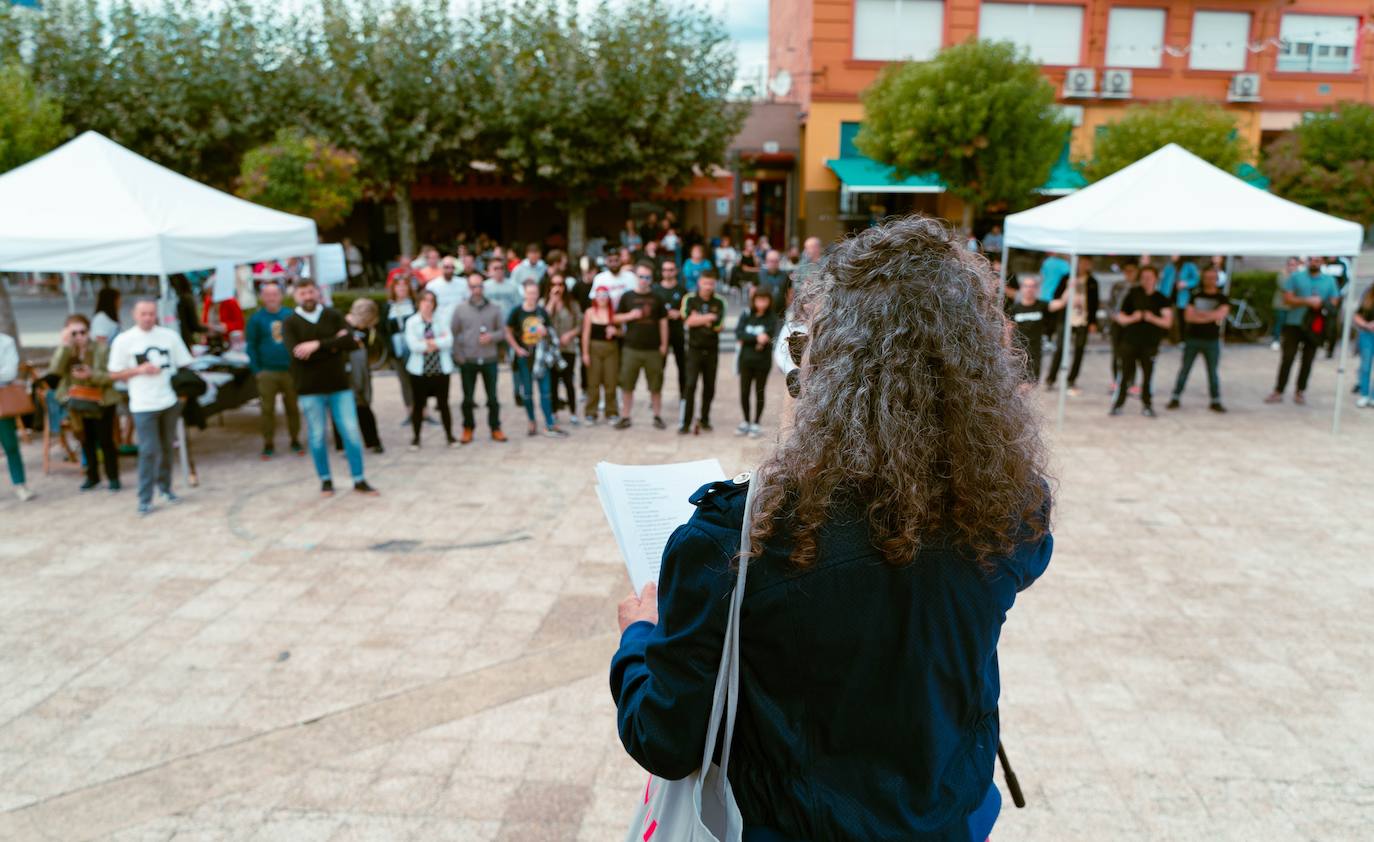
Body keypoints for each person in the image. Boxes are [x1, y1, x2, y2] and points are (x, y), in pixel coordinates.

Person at [611, 216, 1053, 842]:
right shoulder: (1011, 507)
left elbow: (666, 737)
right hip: (947, 818)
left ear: (826, 366)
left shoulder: (736, 539)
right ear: (977, 366)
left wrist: (638, 639)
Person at [282, 279, 379, 496]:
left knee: (351, 433)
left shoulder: (333, 315)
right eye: (303, 293)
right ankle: (325, 480)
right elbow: (296, 355)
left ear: (317, 292)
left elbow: (351, 343)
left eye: (310, 292)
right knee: (317, 436)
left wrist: (316, 345)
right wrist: (333, 344)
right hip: (309, 389)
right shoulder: (290, 323)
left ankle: (359, 478)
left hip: (339, 385)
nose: (307, 296)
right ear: (296, 296)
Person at [109, 299, 194, 515]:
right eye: (143, 314)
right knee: (148, 450)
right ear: (135, 315)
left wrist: (182, 394)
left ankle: (165, 488)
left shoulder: (169, 337)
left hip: (168, 401)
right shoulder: (124, 340)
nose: (148, 317)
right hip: (142, 404)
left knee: (167, 448)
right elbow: (114, 373)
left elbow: (185, 365)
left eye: (151, 313)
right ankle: (144, 498)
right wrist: (138, 370)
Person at [1266, 256, 1342, 405]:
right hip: (1294, 323)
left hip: (1315, 326)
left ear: (1323, 262)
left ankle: (1300, 391)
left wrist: (1321, 303)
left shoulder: (1329, 280)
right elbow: (1287, 298)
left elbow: (1334, 301)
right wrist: (1307, 301)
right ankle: (1279, 390)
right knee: (1287, 358)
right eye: (1312, 260)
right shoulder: (1296, 277)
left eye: (1318, 260)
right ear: (1308, 261)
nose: (1314, 263)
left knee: (1308, 360)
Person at [245, 282, 303, 459]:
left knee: (292, 407)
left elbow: (299, 340)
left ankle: (295, 439)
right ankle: (268, 443)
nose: (271, 298)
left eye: (274, 294)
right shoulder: (256, 319)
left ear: (280, 296)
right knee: (267, 409)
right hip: (267, 371)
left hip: (289, 371)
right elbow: (251, 346)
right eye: (267, 294)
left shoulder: (290, 315)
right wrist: (257, 370)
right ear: (262, 297)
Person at [505, 279, 566, 438]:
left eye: (535, 293)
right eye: (529, 293)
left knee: (546, 392)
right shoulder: (517, 311)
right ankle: (531, 421)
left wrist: (544, 331)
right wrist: (517, 348)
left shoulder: (541, 312)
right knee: (527, 393)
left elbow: (550, 332)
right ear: (524, 293)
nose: (532, 296)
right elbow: (508, 331)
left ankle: (549, 422)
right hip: (525, 357)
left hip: (541, 357)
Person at [451, 272, 507, 443]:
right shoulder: (460, 309)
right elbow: (454, 333)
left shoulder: (495, 308)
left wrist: (492, 337)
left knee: (493, 398)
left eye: (480, 286)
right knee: (468, 399)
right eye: (473, 286)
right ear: (469, 288)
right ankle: (468, 428)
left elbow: (503, 332)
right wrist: (458, 355)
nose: (477, 290)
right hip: (468, 360)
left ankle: (495, 428)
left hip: (489, 359)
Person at [1110, 265, 1172, 417]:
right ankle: (1118, 404)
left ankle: (1147, 405)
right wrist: (1133, 318)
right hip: (1130, 342)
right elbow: (1120, 317)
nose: (1146, 281)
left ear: (1155, 279)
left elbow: (1167, 322)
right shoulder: (1133, 294)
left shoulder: (1161, 298)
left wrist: (1152, 318)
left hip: (1150, 345)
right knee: (1124, 375)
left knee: (1148, 377)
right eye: (1143, 277)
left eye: (1149, 277)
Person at [1167, 266, 1230, 413]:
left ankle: (1215, 400)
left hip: (1212, 340)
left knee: (1212, 372)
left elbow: (1220, 315)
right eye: (1207, 277)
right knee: (1185, 369)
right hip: (1193, 339)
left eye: (1213, 278)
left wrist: (1200, 315)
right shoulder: (1195, 295)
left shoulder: (1222, 298)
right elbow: (1188, 316)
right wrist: (1210, 315)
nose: (1210, 281)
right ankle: (1175, 397)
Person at [614, 264, 669, 430]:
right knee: (627, 385)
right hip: (631, 348)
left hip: (653, 349)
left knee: (655, 385)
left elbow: (663, 322)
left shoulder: (657, 298)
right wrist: (630, 315)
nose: (644, 280)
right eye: (641, 277)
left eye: (647, 277)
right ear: (635, 277)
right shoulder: (627, 297)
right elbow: (616, 318)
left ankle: (657, 415)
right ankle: (625, 416)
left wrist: (664, 345)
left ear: (651, 279)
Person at [404, 290, 457, 450]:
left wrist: (429, 343)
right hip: (419, 371)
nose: (428, 304)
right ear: (419, 302)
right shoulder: (412, 322)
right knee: (419, 405)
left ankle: (449, 436)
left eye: (431, 301)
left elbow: (449, 340)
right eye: (424, 301)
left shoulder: (440, 320)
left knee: (444, 404)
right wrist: (435, 343)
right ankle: (416, 438)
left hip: (440, 369)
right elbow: (414, 346)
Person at [678, 269, 725, 434]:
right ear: (699, 282)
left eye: (711, 283)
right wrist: (709, 317)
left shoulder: (720, 301)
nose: (708, 286)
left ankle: (705, 419)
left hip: (712, 350)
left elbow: (719, 326)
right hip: (693, 350)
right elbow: (687, 320)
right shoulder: (689, 298)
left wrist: (698, 318)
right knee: (690, 385)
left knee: (709, 387)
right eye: (705, 283)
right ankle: (685, 422)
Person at [1044, 259, 1099, 394]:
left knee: (1079, 349)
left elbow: (1094, 303)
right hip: (1066, 318)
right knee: (1060, 348)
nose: (1083, 265)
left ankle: (1071, 379)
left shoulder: (1092, 281)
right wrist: (1069, 287)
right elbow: (1056, 296)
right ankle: (1051, 378)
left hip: (1082, 319)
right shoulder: (1067, 278)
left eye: (1085, 262)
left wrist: (1093, 321)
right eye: (1080, 262)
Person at [735, 288, 780, 438]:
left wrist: (750, 337)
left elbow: (768, 336)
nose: (761, 303)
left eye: (764, 300)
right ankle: (746, 421)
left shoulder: (772, 318)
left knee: (759, 392)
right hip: (745, 361)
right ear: (753, 300)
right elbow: (739, 333)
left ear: (769, 301)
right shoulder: (747, 315)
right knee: (744, 392)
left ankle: (756, 422)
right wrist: (756, 338)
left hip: (762, 362)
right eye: (758, 300)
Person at [1007, 276, 1066, 385]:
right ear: (1022, 288)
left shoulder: (1041, 305)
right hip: (1019, 353)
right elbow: (1008, 330)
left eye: (1032, 286)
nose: (1029, 289)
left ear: (1037, 289)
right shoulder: (1014, 309)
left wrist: (1070, 287)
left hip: (1035, 352)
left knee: (1032, 383)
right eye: (1027, 286)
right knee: (1018, 383)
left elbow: (1060, 304)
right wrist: (1008, 349)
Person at [343, 298, 384, 453]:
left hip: (362, 374)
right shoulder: (342, 326)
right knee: (345, 411)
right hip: (347, 373)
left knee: (364, 407)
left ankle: (373, 441)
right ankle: (344, 446)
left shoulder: (367, 330)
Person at [545, 273, 582, 424]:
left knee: (568, 381)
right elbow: (542, 320)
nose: (557, 288)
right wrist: (552, 302)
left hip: (568, 349)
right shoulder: (546, 303)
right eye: (554, 284)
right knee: (552, 382)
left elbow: (580, 325)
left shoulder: (572, 304)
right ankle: (554, 412)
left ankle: (573, 412)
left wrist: (570, 334)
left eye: (560, 284)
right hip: (551, 350)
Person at [581, 287, 621, 426]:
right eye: (599, 295)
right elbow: (585, 334)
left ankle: (611, 412)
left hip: (611, 350)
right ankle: (591, 413)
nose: (602, 298)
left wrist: (616, 331)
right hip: (594, 349)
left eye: (605, 295)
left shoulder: (613, 313)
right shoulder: (590, 312)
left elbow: (622, 331)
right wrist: (585, 353)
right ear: (595, 298)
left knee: (611, 382)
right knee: (593, 382)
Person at [0, 331, 31, 501]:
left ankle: (20, 483)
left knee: (10, 444)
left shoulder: (5, 342)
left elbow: (9, 372)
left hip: (2, 399)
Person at [654, 259, 688, 401]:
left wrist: (680, 314)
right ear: (661, 272)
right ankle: (656, 396)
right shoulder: (655, 289)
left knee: (682, 365)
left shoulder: (681, 289)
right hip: (660, 334)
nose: (668, 272)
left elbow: (688, 310)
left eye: (671, 269)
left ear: (675, 271)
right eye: (665, 269)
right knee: (658, 367)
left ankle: (684, 397)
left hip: (677, 332)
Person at [385, 276, 418, 420]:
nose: (402, 289)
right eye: (398, 286)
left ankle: (423, 411)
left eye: (404, 286)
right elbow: (383, 331)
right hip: (397, 350)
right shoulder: (388, 307)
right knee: (404, 381)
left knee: (418, 380)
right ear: (393, 289)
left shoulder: (415, 305)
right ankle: (410, 412)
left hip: (415, 349)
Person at [482, 256, 523, 360]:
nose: (499, 271)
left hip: (509, 326)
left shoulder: (513, 285)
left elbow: (519, 306)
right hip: (491, 326)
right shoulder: (484, 286)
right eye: (496, 268)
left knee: (510, 356)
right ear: (490, 270)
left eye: (501, 268)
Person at [1108, 261, 1139, 393]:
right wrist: (1115, 317)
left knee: (1132, 354)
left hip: (1133, 324)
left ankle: (1131, 382)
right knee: (1116, 354)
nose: (1129, 273)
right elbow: (1110, 305)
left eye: (1132, 270)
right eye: (1126, 270)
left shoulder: (1139, 287)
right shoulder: (1118, 286)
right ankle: (1117, 381)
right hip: (1117, 323)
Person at [425, 255, 467, 325]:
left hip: (460, 321)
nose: (449, 270)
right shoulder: (432, 285)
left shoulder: (463, 283)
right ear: (441, 268)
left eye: (452, 267)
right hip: (439, 322)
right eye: (446, 267)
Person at [1271, 257, 1299, 350]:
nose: (1292, 267)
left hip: (1293, 306)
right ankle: (1276, 341)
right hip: (1281, 305)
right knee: (1279, 323)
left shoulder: (1298, 275)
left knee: (1291, 325)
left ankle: (1289, 342)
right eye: (1290, 264)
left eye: (1294, 265)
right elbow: (1285, 287)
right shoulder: (1282, 274)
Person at [1354, 284, 1374, 408]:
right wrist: (1367, 325)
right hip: (1367, 334)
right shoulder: (1369, 294)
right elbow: (1357, 315)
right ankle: (1364, 394)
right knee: (1365, 366)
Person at [754, 250, 788, 315]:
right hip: (763, 312)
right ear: (766, 261)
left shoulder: (785, 275)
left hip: (780, 313)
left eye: (776, 261)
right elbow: (753, 292)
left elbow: (789, 294)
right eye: (771, 261)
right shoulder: (759, 275)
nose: (774, 263)